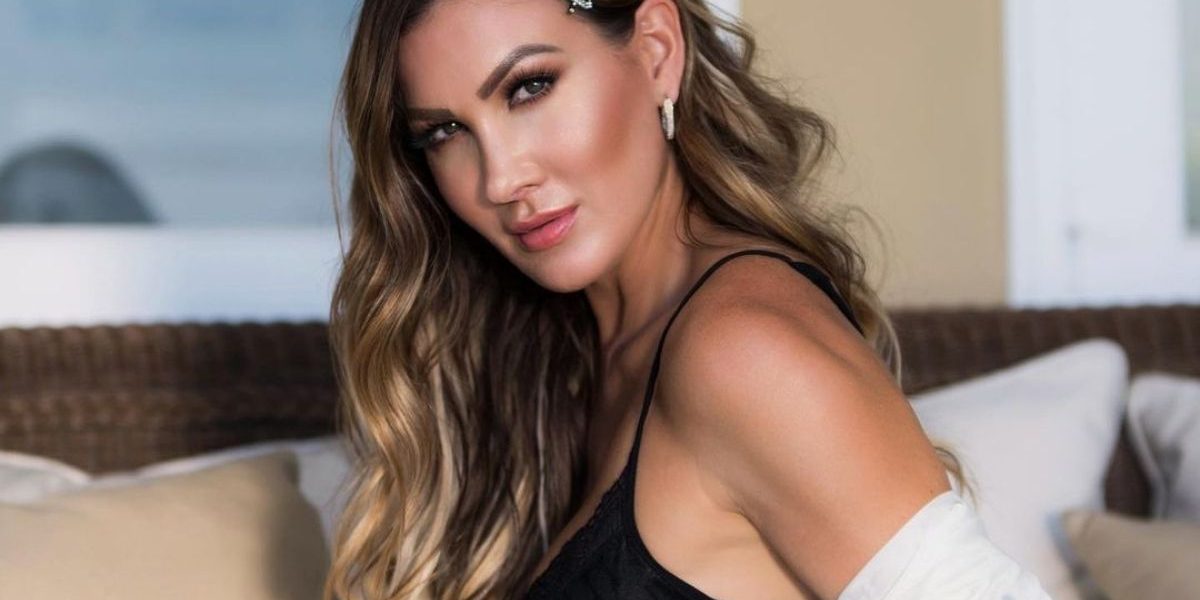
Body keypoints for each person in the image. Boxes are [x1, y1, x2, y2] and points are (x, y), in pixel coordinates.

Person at [324, 0, 1051, 598]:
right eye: (445, 132)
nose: (500, 178)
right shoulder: (579, 353)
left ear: (656, 51)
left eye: (530, 88)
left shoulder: (744, 349)